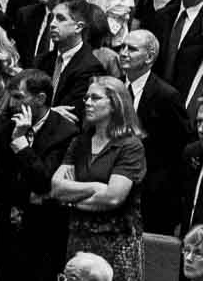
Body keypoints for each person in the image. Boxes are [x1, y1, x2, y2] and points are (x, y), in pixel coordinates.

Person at [52, 77, 149, 281]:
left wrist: (73, 198)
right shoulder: (79, 142)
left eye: (95, 98)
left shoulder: (130, 146)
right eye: (86, 97)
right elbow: (57, 188)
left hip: (117, 242)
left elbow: (113, 198)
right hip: (79, 238)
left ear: (115, 104)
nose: (87, 102)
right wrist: (96, 187)